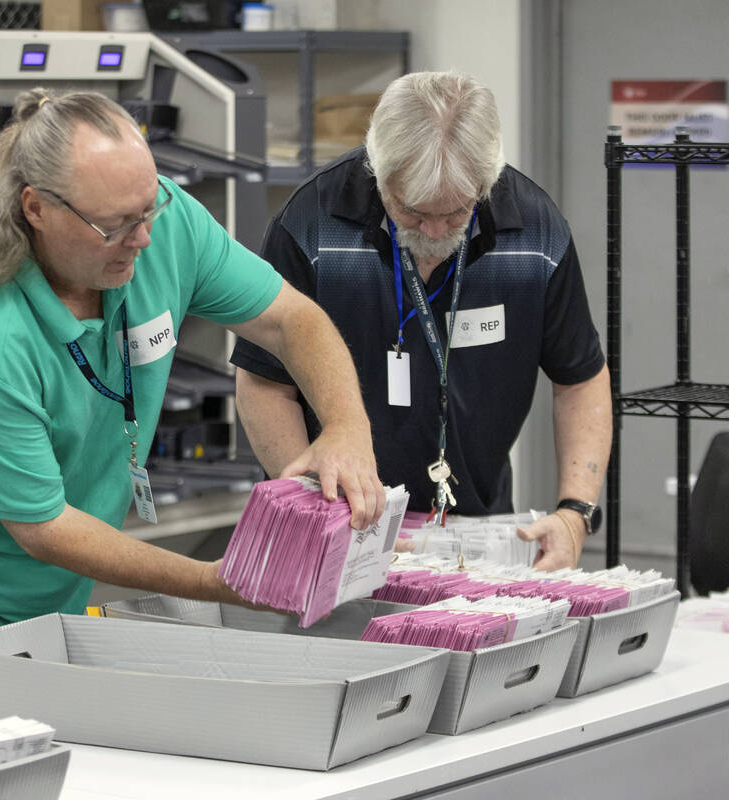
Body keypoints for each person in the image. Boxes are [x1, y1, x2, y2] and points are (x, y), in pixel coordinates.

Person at [0, 88, 384, 714]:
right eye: (114, 226)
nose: (141, 238)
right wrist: (209, 583)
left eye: (149, 208)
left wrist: (347, 429)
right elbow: (44, 526)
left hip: (40, 580)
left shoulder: (159, 222)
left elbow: (290, 320)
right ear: (36, 209)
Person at [232, 71, 612, 572]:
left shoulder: (537, 231)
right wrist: (310, 511)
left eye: (456, 213)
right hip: (336, 523)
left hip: (476, 529)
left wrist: (575, 512)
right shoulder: (311, 221)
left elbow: (580, 379)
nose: (433, 232)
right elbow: (263, 382)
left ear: (487, 181)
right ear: (378, 171)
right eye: (411, 212)